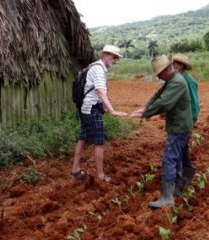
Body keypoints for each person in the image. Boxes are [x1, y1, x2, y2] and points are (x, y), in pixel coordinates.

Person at [132, 55, 192, 208]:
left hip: (179, 127)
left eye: (159, 73)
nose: (158, 76)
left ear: (166, 70)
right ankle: (177, 189)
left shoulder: (177, 82)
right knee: (177, 158)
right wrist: (145, 109)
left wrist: (147, 113)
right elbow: (157, 96)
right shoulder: (172, 80)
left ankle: (167, 197)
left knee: (169, 159)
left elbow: (164, 103)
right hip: (179, 126)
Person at [70, 45, 127, 183]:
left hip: (86, 108)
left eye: (117, 58)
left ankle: (75, 169)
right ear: (105, 55)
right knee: (99, 142)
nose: (115, 60)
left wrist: (105, 107)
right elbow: (100, 91)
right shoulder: (99, 69)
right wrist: (112, 110)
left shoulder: (94, 66)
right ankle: (101, 176)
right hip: (91, 110)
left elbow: (96, 91)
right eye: (114, 57)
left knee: (83, 138)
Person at [171, 54, 199, 196]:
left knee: (176, 150)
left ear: (182, 66)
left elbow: (194, 103)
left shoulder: (188, 81)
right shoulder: (178, 79)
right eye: (173, 64)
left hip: (185, 121)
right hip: (180, 120)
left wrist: (191, 121)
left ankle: (180, 179)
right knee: (182, 148)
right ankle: (187, 172)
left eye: (177, 64)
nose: (174, 66)